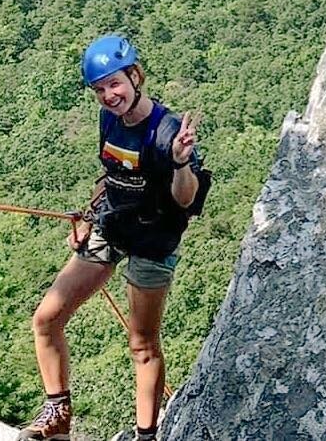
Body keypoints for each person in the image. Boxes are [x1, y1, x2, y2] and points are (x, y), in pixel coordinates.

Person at [18, 35, 209, 441]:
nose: (109, 95)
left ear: (135, 76)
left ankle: (145, 436)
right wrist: (88, 216)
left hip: (154, 241)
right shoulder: (110, 120)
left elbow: (185, 199)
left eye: (115, 84)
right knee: (46, 318)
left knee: (142, 344)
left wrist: (179, 162)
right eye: (100, 89)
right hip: (113, 227)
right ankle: (58, 416)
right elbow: (113, 174)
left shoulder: (166, 131)